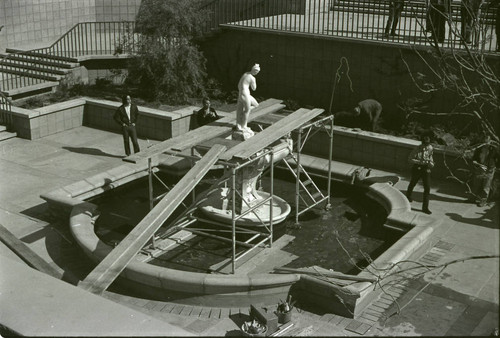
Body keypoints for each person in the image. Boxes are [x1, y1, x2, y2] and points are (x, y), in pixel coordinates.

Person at [406, 134, 434, 214]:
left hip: (426, 168)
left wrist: (431, 163)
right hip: (417, 168)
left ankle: (425, 207)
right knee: (413, 183)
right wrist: (419, 162)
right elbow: (410, 159)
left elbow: (431, 158)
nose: (426, 147)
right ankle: (408, 196)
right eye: (425, 145)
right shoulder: (417, 149)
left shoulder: (430, 148)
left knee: (427, 187)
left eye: (427, 145)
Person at [469, 135, 499, 207]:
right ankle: (472, 198)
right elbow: (475, 157)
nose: (486, 142)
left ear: (490, 141)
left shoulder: (493, 149)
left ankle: (483, 201)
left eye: (487, 140)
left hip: (489, 169)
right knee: (476, 183)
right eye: (484, 140)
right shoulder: (479, 148)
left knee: (486, 186)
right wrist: (475, 162)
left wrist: (495, 166)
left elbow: (497, 158)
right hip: (480, 167)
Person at [236, 63, 260, 136]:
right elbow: (254, 88)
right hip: (245, 94)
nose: (257, 73)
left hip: (242, 94)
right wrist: (254, 81)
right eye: (257, 72)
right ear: (255, 71)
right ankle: (243, 126)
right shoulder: (252, 78)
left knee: (256, 105)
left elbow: (238, 85)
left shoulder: (245, 74)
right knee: (247, 111)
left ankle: (240, 123)